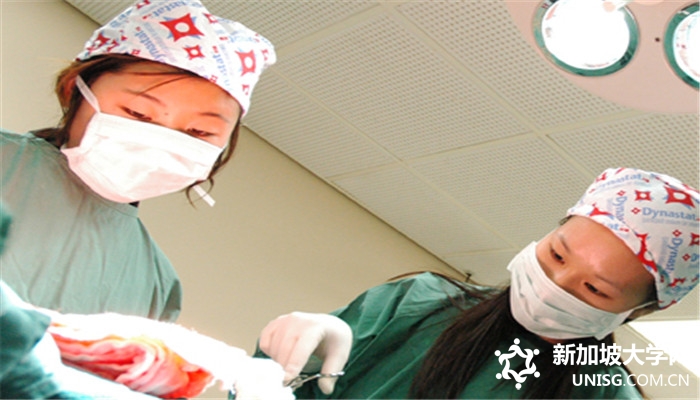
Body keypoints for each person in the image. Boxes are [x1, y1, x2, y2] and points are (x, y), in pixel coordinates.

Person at [257, 167, 699, 399]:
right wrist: (283, 367)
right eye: (557, 254)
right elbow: (272, 385)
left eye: (595, 289)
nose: (553, 283)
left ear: (641, 310)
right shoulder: (421, 302)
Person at [0, 0, 275, 321]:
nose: (160, 140)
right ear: (74, 90)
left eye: (199, 131)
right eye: (138, 113)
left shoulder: (157, 285)